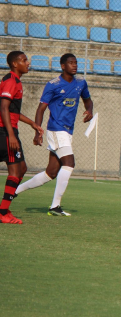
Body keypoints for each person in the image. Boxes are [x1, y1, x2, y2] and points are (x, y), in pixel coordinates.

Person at [15, 54, 93, 216]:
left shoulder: (81, 83)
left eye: (76, 63)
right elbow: (41, 109)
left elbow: (87, 100)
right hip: (56, 129)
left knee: (50, 173)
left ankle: (14, 191)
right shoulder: (53, 85)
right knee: (69, 163)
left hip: (68, 131)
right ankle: (55, 206)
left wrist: (89, 110)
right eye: (70, 63)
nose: (74, 65)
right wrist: (38, 131)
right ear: (63, 66)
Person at [0, 51, 44, 224]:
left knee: (22, 168)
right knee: (15, 171)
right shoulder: (11, 81)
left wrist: (32, 123)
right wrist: (11, 135)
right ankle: (3, 212)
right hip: (5, 132)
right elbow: (3, 108)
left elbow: (12, 111)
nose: (28, 63)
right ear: (15, 64)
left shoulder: (14, 81)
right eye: (24, 60)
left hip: (9, 130)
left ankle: (4, 209)